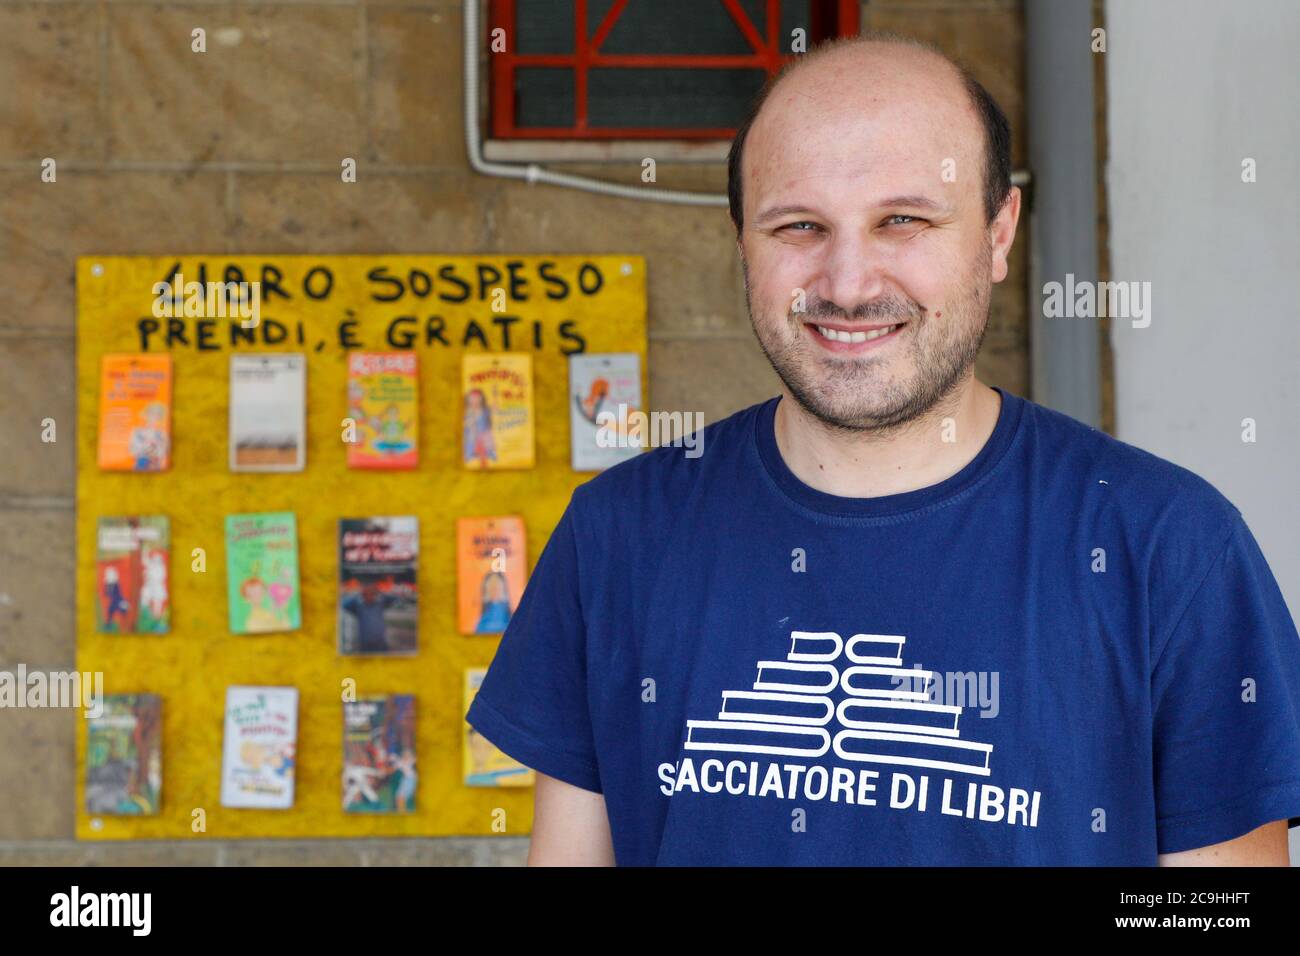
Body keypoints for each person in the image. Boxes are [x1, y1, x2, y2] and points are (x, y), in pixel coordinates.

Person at [465, 33, 1300, 866]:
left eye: (903, 220)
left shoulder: (1169, 546)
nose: (849, 284)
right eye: (798, 226)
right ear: (741, 244)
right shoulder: (616, 536)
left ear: (998, 232)